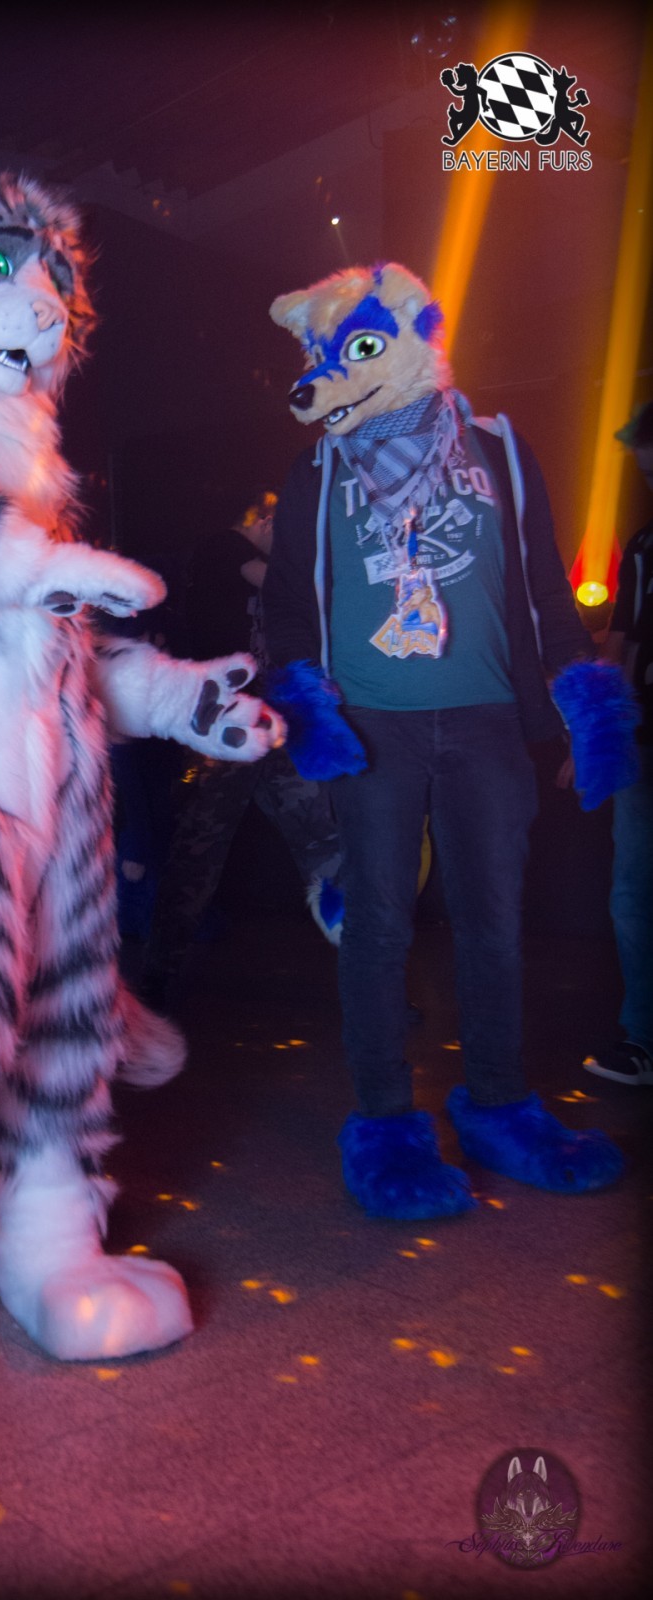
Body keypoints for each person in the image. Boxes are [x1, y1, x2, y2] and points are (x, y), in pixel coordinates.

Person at [263, 262, 631, 1220]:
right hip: (372, 724)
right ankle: (386, 1124)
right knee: (377, 925)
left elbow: (545, 589)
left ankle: (500, 1108)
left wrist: (585, 706)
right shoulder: (318, 468)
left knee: (492, 922)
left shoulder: (498, 449)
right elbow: (289, 606)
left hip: (485, 720)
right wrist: (307, 709)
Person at [139, 493, 342, 1010]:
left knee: (321, 840)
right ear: (264, 519)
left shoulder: (245, 564)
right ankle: (156, 981)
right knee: (197, 855)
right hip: (225, 730)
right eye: (278, 524)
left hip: (269, 725)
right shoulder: (222, 547)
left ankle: (369, 970)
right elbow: (278, 582)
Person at [583, 400, 653, 1086]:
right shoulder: (642, 545)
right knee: (632, 891)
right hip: (645, 739)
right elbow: (622, 641)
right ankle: (643, 1040)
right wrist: (602, 733)